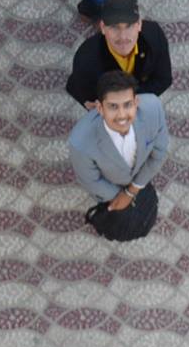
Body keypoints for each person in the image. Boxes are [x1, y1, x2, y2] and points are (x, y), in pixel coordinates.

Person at [69, 72, 170, 241]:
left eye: (127, 104)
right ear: (100, 108)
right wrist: (119, 200)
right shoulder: (80, 142)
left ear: (136, 102)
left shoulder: (153, 108)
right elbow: (91, 180)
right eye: (113, 107)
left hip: (140, 178)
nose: (122, 115)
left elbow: (158, 154)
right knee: (118, 225)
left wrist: (132, 191)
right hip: (110, 190)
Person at [65, 0, 172, 108]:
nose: (123, 37)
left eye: (129, 26)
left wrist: (129, 103)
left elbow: (163, 79)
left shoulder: (154, 35)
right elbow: (84, 93)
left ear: (139, 25)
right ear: (103, 28)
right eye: (114, 27)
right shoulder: (86, 59)